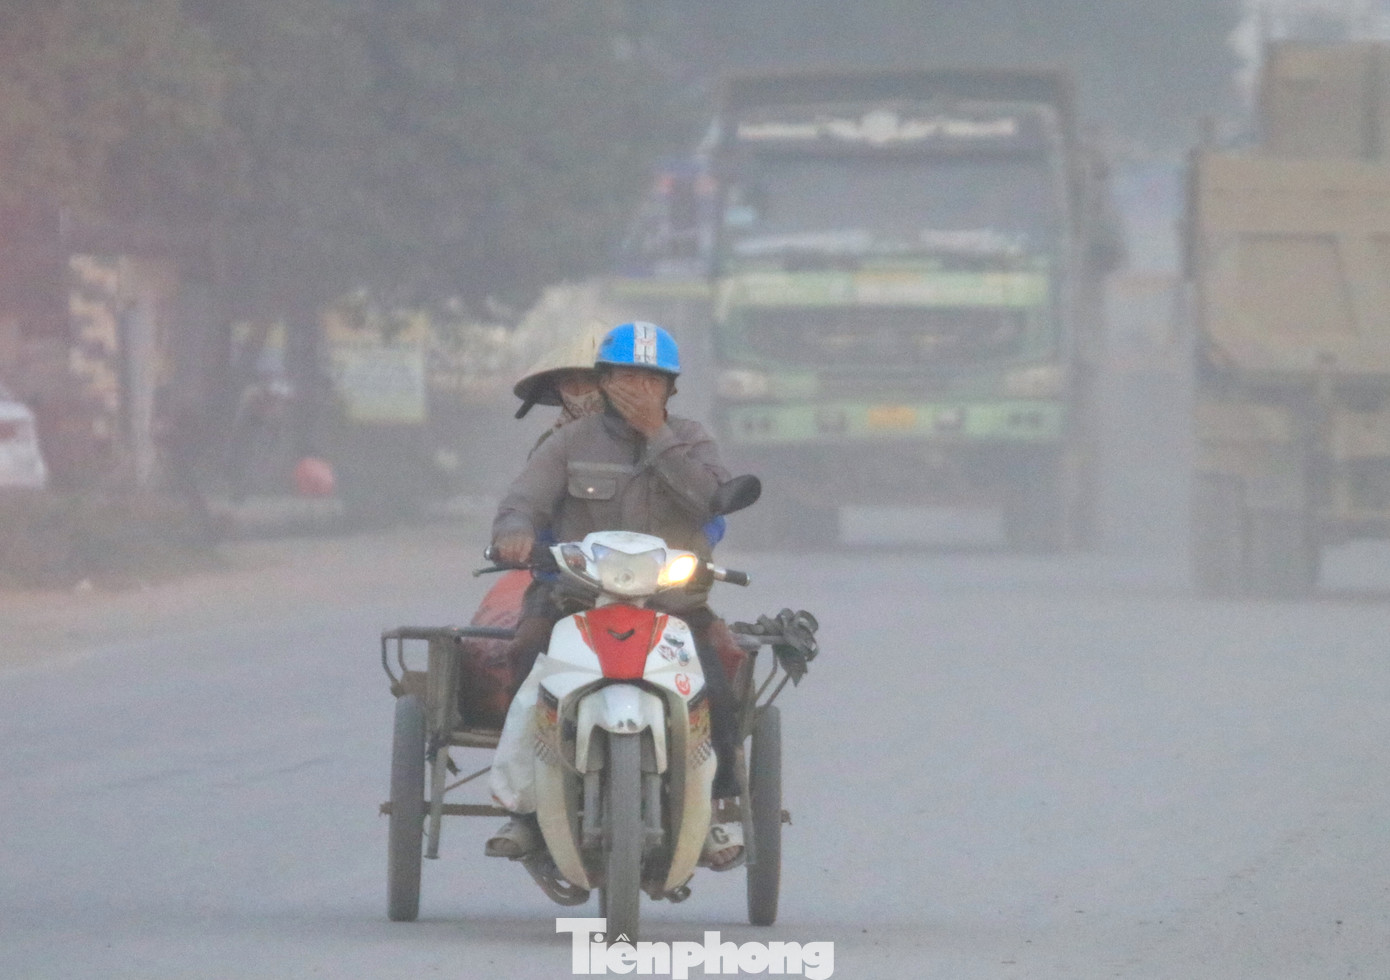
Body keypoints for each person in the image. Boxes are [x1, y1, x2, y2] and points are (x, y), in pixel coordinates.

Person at [484, 321, 744, 870]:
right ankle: (527, 812)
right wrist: (513, 531)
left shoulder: (693, 439)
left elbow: (709, 503)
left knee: (717, 686)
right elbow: (523, 500)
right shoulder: (567, 442)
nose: (638, 387)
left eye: (651, 379)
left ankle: (715, 810)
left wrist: (657, 435)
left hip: (673, 605)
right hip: (572, 601)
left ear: (671, 388)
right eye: (626, 376)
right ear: (604, 382)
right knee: (526, 657)